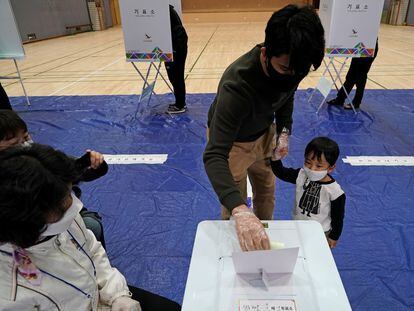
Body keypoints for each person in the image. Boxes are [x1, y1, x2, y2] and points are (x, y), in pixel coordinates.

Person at [0, 144, 182, 311]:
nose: (74, 205)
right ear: (29, 217)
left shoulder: (57, 222)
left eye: (70, 192)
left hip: (99, 296)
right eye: (63, 202)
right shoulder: (10, 293)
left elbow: (92, 249)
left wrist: (117, 295)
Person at [203, 5, 325, 251]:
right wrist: (240, 210)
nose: (293, 77)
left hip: (263, 134)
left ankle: (264, 243)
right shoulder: (237, 86)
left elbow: (286, 94)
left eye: (300, 72)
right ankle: (237, 250)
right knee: (234, 208)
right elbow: (214, 154)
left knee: (267, 193)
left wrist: (284, 131)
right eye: (285, 70)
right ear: (267, 53)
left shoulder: (293, 63)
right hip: (233, 145)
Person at [0, 109, 107, 247]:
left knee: (92, 226)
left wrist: (95, 166)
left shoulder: (42, 159)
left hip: (60, 221)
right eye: (14, 145)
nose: (24, 146)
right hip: (30, 236)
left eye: (26, 138)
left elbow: (75, 172)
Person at [271, 137, 346, 249]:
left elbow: (338, 218)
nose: (312, 169)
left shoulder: (335, 192)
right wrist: (275, 158)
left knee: (315, 255)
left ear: (331, 168)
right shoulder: (301, 175)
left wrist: (334, 237)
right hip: (297, 226)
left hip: (320, 233)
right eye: (308, 162)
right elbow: (281, 173)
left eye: (319, 166)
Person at [327, 39, 379, 110]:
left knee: (361, 77)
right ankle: (340, 99)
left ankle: (356, 102)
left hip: (370, 47)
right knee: (350, 76)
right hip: (360, 46)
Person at [165, 4, 188, 114]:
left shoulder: (164, 9)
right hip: (176, 43)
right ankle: (180, 102)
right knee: (175, 75)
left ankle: (180, 105)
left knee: (176, 75)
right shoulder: (166, 8)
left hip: (176, 44)